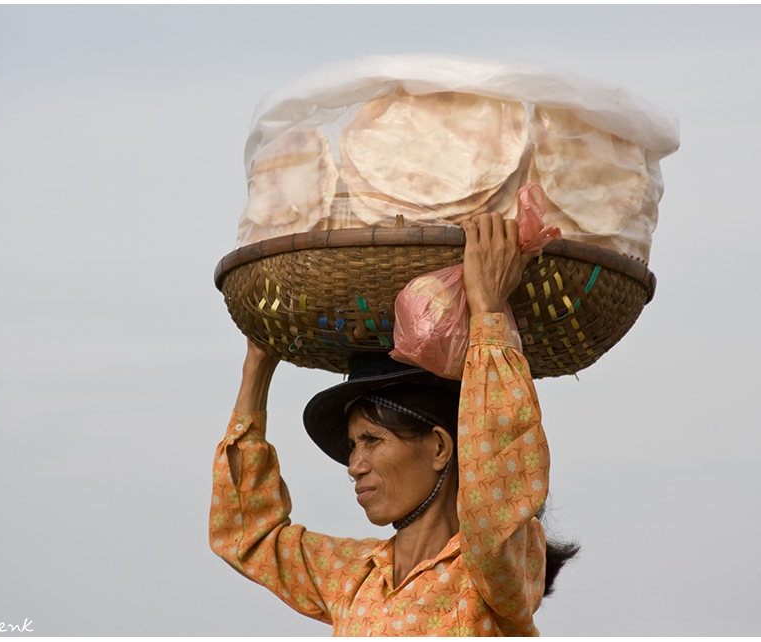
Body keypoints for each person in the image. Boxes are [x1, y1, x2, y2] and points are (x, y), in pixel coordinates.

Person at [209, 211, 577, 636]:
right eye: (352, 446)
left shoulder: (493, 576)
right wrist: (256, 368)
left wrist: (489, 312)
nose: (354, 466)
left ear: (440, 447)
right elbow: (246, 535)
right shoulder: (356, 576)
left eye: (371, 439)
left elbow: (496, 496)